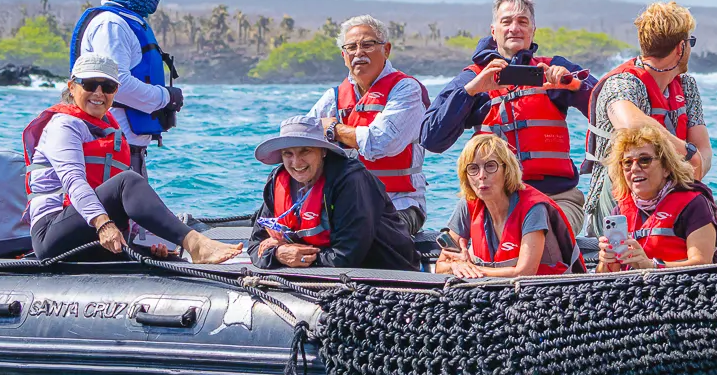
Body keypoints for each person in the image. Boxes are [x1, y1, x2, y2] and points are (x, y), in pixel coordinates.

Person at [22, 54, 238, 263]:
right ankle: (196, 244)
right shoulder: (64, 125)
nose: (98, 93)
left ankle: (182, 245)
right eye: (89, 84)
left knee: (130, 187)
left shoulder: (109, 129)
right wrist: (104, 225)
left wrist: (146, 241)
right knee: (128, 180)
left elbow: (127, 203)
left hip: (90, 231)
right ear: (72, 87)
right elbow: (74, 181)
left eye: (107, 87)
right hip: (52, 235)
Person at [421, 0, 593, 231]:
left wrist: (575, 85)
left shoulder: (555, 68)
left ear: (533, 31)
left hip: (556, 198)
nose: (515, 28)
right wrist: (470, 92)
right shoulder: (472, 78)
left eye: (523, 21)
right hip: (492, 199)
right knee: (466, 241)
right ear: (494, 31)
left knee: (538, 233)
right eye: (507, 21)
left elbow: (605, 104)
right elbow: (431, 139)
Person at [582, 1, 711, 230]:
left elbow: (704, 151)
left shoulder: (686, 87)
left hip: (671, 193)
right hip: (618, 203)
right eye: (690, 42)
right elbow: (631, 123)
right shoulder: (623, 83)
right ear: (681, 47)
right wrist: (687, 153)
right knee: (636, 162)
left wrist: (690, 166)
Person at [306, 15, 430, 234]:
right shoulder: (333, 97)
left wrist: (333, 129)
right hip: (348, 202)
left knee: (368, 233)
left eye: (367, 45)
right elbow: (303, 133)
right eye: (351, 47)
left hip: (400, 204)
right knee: (305, 228)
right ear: (344, 55)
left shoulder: (406, 90)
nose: (358, 53)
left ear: (386, 50)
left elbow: (381, 143)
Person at [247, 117, 421, 271]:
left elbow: (346, 256)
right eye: (288, 154)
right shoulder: (278, 180)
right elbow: (255, 246)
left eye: (305, 151)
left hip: (382, 270)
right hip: (322, 266)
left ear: (323, 151)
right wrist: (278, 254)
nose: (296, 162)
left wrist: (296, 256)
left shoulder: (351, 181)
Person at [68, 0, 183, 176]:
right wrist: (165, 97)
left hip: (128, 151)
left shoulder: (127, 23)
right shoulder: (112, 26)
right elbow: (115, 84)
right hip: (112, 151)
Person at [432, 134, 584, 279]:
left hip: (543, 294)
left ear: (506, 170)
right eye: (473, 168)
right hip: (489, 292)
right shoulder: (467, 205)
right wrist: (456, 266)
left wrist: (472, 269)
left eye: (490, 166)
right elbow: (440, 266)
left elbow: (525, 272)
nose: (481, 175)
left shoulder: (533, 209)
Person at [595, 125, 717, 271]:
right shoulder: (619, 212)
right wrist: (606, 262)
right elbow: (605, 278)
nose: (635, 168)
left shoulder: (694, 204)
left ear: (666, 168)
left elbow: (703, 264)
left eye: (644, 160)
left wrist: (652, 266)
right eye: (627, 162)